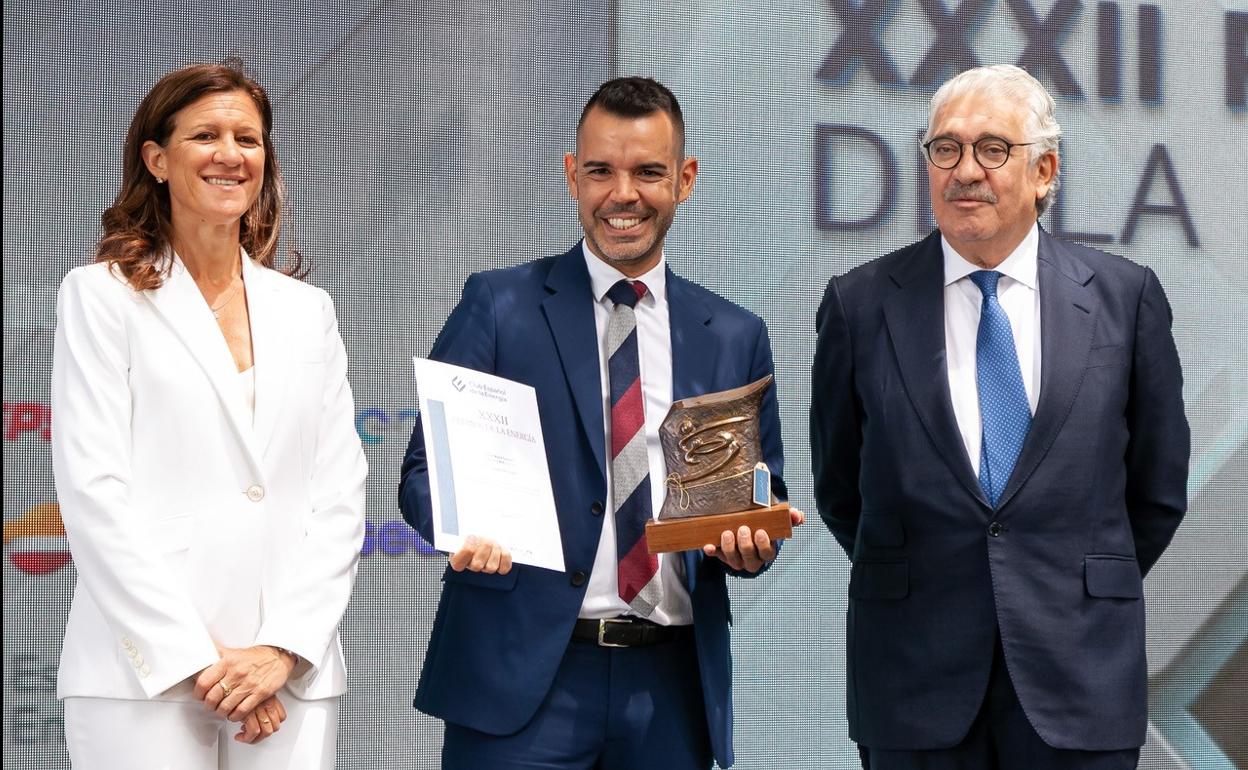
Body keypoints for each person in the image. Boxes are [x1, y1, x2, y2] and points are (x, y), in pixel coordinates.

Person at [399, 76, 803, 769]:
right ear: (571, 176)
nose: (623, 194)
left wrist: (753, 542)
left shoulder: (735, 333)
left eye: (648, 172)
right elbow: (422, 475)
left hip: (671, 691)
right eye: (601, 171)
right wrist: (467, 524)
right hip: (523, 680)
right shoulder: (499, 305)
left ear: (686, 179)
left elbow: (759, 492)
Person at [810, 63, 1189, 770]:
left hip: (1079, 681)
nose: (964, 171)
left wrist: (1060, 577)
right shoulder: (861, 305)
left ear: (1045, 170)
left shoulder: (1124, 299)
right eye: (945, 149)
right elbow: (841, 490)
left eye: (992, 149)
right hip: (914, 684)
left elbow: (1156, 491)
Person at [51, 61, 367, 769]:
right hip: (142, 677)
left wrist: (280, 651)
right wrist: (201, 664)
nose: (231, 154)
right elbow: (94, 493)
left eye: (248, 139)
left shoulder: (307, 310)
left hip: (289, 676)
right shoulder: (99, 297)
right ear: (156, 159)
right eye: (206, 135)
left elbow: (339, 496)